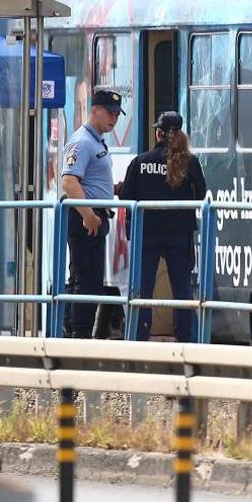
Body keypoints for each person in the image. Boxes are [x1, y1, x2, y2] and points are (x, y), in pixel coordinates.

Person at [116, 111, 209, 343]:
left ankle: (139, 336)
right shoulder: (191, 162)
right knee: (182, 289)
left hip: (146, 234)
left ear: (158, 132)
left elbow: (127, 196)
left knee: (143, 288)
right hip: (180, 234)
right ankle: (186, 338)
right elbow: (202, 194)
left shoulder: (140, 162)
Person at [60, 88, 124, 338]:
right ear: (94, 110)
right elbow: (69, 182)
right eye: (110, 113)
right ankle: (80, 334)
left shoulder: (96, 140)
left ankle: (73, 331)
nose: (114, 118)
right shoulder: (82, 141)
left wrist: (113, 189)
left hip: (93, 215)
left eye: (117, 114)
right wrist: (87, 214)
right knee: (87, 281)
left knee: (82, 277)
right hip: (85, 217)